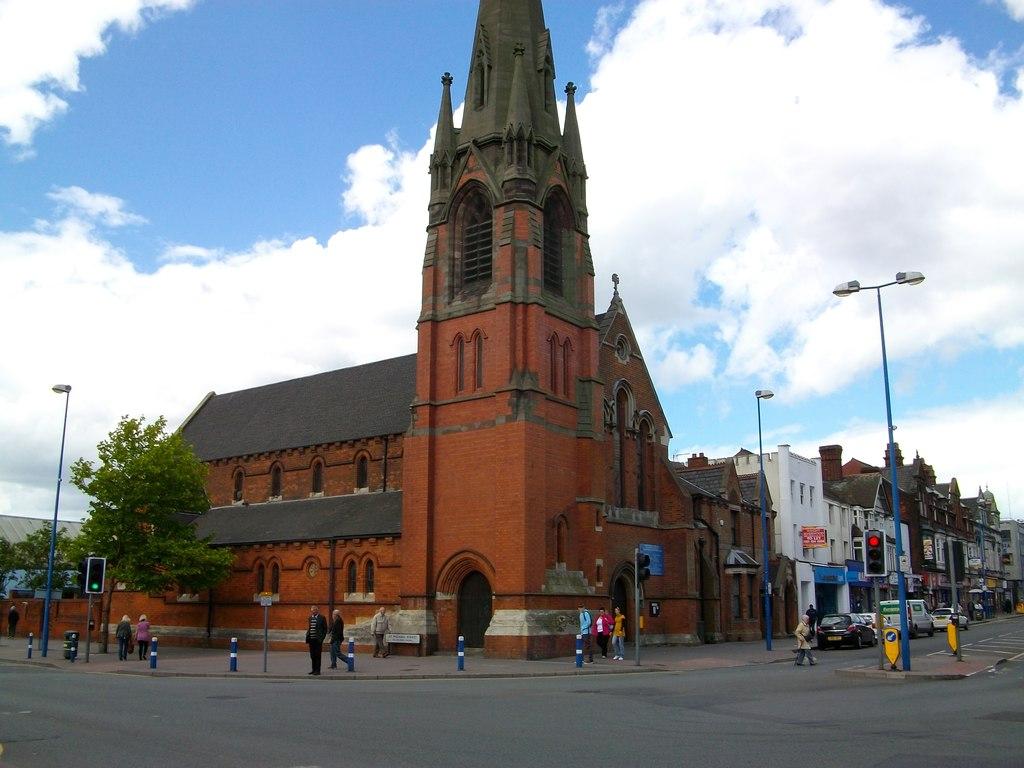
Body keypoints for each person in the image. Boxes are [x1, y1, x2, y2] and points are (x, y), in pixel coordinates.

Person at [305, 605, 327, 675]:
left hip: (318, 640)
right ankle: (313, 669)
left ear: (317, 610)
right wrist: (307, 634)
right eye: (312, 610)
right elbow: (310, 627)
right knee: (312, 655)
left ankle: (318, 670)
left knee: (318, 655)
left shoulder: (322, 618)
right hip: (311, 639)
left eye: (314, 610)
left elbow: (325, 629)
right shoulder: (310, 618)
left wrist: (322, 638)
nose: (313, 611)